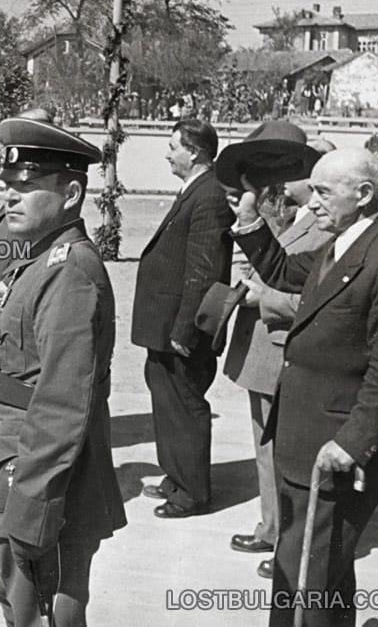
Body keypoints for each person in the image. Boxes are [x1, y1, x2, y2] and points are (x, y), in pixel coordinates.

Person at [230, 148, 378, 626]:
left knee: (306, 583)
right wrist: (252, 222)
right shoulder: (342, 244)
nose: (312, 202)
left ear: (363, 194)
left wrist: (352, 443)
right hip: (306, 435)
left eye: (323, 192)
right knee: (318, 573)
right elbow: (282, 271)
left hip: (337, 448)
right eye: (312, 190)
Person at [0, 109, 125, 626]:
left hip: (34, 468)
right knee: (17, 593)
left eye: (27, 186)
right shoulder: (41, 255)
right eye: (9, 184)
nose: (10, 195)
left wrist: (33, 500)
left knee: (37, 605)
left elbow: (62, 402)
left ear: (70, 195)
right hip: (14, 451)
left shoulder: (69, 272)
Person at [222, 134, 335, 578]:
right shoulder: (297, 215)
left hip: (283, 346)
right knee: (265, 448)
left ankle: (288, 539)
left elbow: (312, 295)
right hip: (264, 349)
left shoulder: (325, 227)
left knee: (287, 456)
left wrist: (263, 297)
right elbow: (277, 263)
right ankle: (273, 528)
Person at [132, 118, 233, 517]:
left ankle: (191, 492)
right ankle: (177, 475)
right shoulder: (197, 190)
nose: (168, 153)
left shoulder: (208, 195)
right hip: (166, 323)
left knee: (184, 404)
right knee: (168, 401)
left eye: (173, 146)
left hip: (179, 327)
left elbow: (203, 272)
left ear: (194, 152)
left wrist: (184, 330)